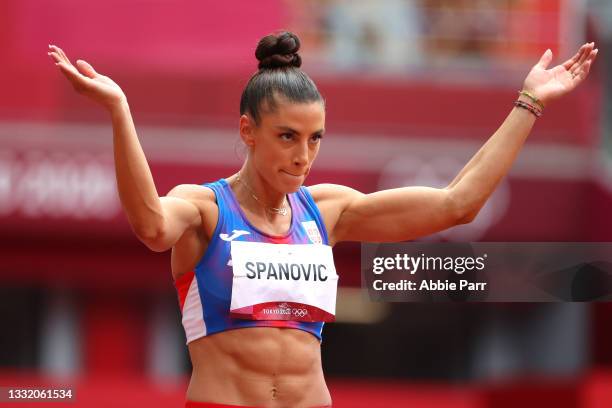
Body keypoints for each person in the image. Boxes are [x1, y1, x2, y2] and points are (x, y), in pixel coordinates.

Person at [48, 31, 597, 408]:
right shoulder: (204, 210)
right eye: (287, 137)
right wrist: (120, 111)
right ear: (247, 130)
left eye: (314, 139)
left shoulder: (326, 210)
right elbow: (148, 224)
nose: (302, 156)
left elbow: (458, 203)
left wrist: (530, 102)